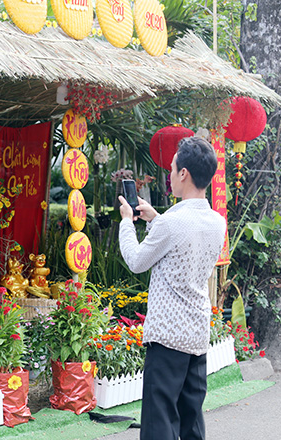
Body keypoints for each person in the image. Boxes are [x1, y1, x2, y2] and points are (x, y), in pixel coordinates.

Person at [118, 137, 227, 440]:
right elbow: (183, 246)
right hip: (196, 334)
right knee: (191, 422)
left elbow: (137, 260)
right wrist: (157, 218)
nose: (170, 173)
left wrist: (127, 222)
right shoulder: (217, 222)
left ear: (184, 174)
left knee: (159, 423)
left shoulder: (172, 223)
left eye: (172, 167)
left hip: (167, 337)